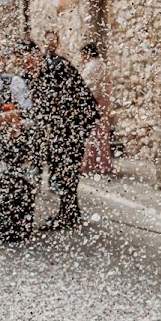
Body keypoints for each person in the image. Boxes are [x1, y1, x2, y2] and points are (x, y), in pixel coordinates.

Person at [23, 34, 100, 230]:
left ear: (33, 55)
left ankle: (67, 216)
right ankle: (70, 213)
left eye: (23, 60)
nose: (23, 66)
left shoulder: (55, 66)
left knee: (65, 167)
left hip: (74, 123)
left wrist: (54, 125)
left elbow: (67, 99)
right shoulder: (37, 72)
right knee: (62, 168)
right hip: (64, 125)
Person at [0, 43, 39, 242]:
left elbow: (28, 112)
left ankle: (18, 225)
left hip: (17, 138)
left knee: (18, 179)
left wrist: (10, 115)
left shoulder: (14, 83)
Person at [79, 43, 113, 176]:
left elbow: (88, 86)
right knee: (99, 133)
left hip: (95, 102)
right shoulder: (99, 64)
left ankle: (93, 165)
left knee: (95, 133)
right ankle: (99, 164)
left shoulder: (94, 66)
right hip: (100, 102)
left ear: (87, 54)